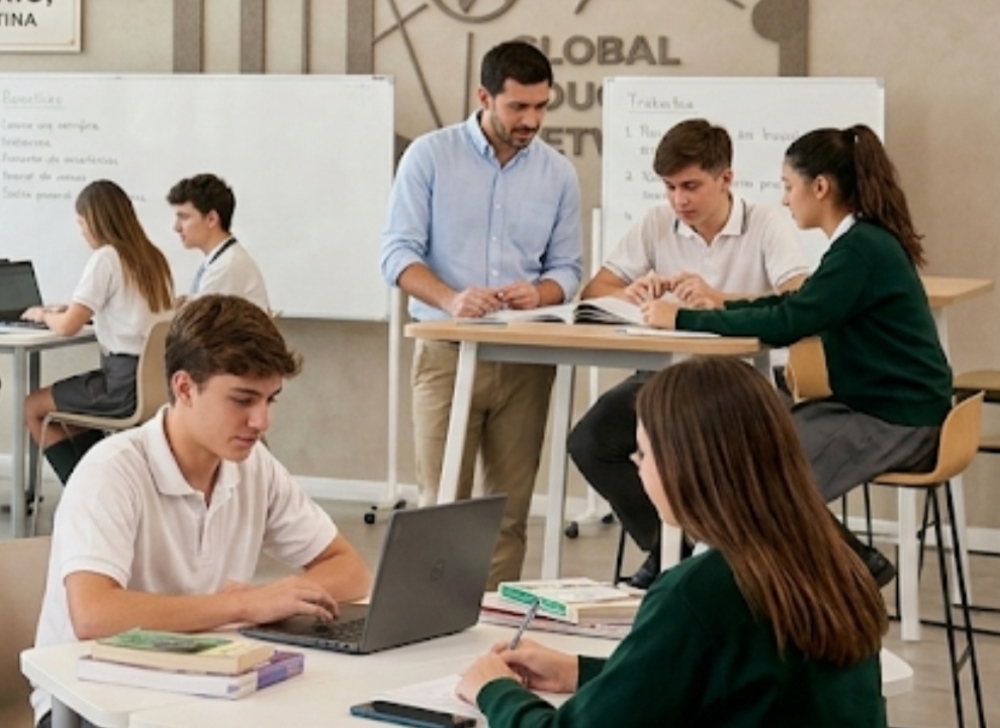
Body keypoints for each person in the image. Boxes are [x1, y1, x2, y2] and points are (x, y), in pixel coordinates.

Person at [458, 357, 889, 727]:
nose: (636, 466)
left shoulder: (699, 591)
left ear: (683, 466)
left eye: (642, 454)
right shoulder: (835, 560)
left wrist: (494, 691)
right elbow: (726, 682)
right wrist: (584, 673)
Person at [30, 294, 373, 728]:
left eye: (271, 400)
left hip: (201, 690)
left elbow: (349, 569)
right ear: (185, 388)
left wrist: (278, 599)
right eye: (243, 400)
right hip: (89, 705)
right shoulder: (111, 471)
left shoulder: (252, 466)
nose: (261, 421)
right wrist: (242, 606)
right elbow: (96, 616)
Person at [643, 125, 952, 581]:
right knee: (747, 447)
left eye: (789, 187)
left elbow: (792, 323)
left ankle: (843, 571)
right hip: (872, 406)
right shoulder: (859, 242)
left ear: (820, 187)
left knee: (758, 479)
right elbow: (797, 305)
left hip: (895, 419)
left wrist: (684, 318)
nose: (785, 200)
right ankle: (853, 560)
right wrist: (726, 304)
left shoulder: (859, 250)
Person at [567, 119, 808, 589]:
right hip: (668, 377)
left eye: (692, 186)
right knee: (591, 441)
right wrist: (631, 290)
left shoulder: (766, 222)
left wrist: (719, 299)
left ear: (726, 179)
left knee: (712, 453)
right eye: (671, 187)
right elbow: (595, 291)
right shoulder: (658, 222)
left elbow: (798, 300)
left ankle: (691, 561)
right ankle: (672, 550)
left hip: (748, 380)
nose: (680, 200)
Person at [380, 40, 583, 589]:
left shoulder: (558, 174)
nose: (531, 120)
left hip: (526, 358)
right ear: (484, 97)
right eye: (518, 107)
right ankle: (428, 622)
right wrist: (451, 299)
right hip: (448, 352)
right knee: (439, 504)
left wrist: (539, 294)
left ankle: (492, 630)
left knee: (508, 514)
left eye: (541, 107)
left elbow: (568, 268)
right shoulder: (429, 156)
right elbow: (397, 254)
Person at [22, 179, 174, 484]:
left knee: (33, 406)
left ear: (94, 220)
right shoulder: (153, 257)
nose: (81, 231)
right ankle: (105, 486)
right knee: (73, 417)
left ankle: (85, 491)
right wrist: (75, 310)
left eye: (81, 222)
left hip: (120, 387)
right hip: (155, 382)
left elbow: (67, 327)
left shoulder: (107, 257)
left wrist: (43, 314)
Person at [167, 173, 271, 312]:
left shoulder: (226, 267)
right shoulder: (221, 259)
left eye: (184, 217)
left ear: (211, 219)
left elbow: (196, 326)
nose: (177, 227)